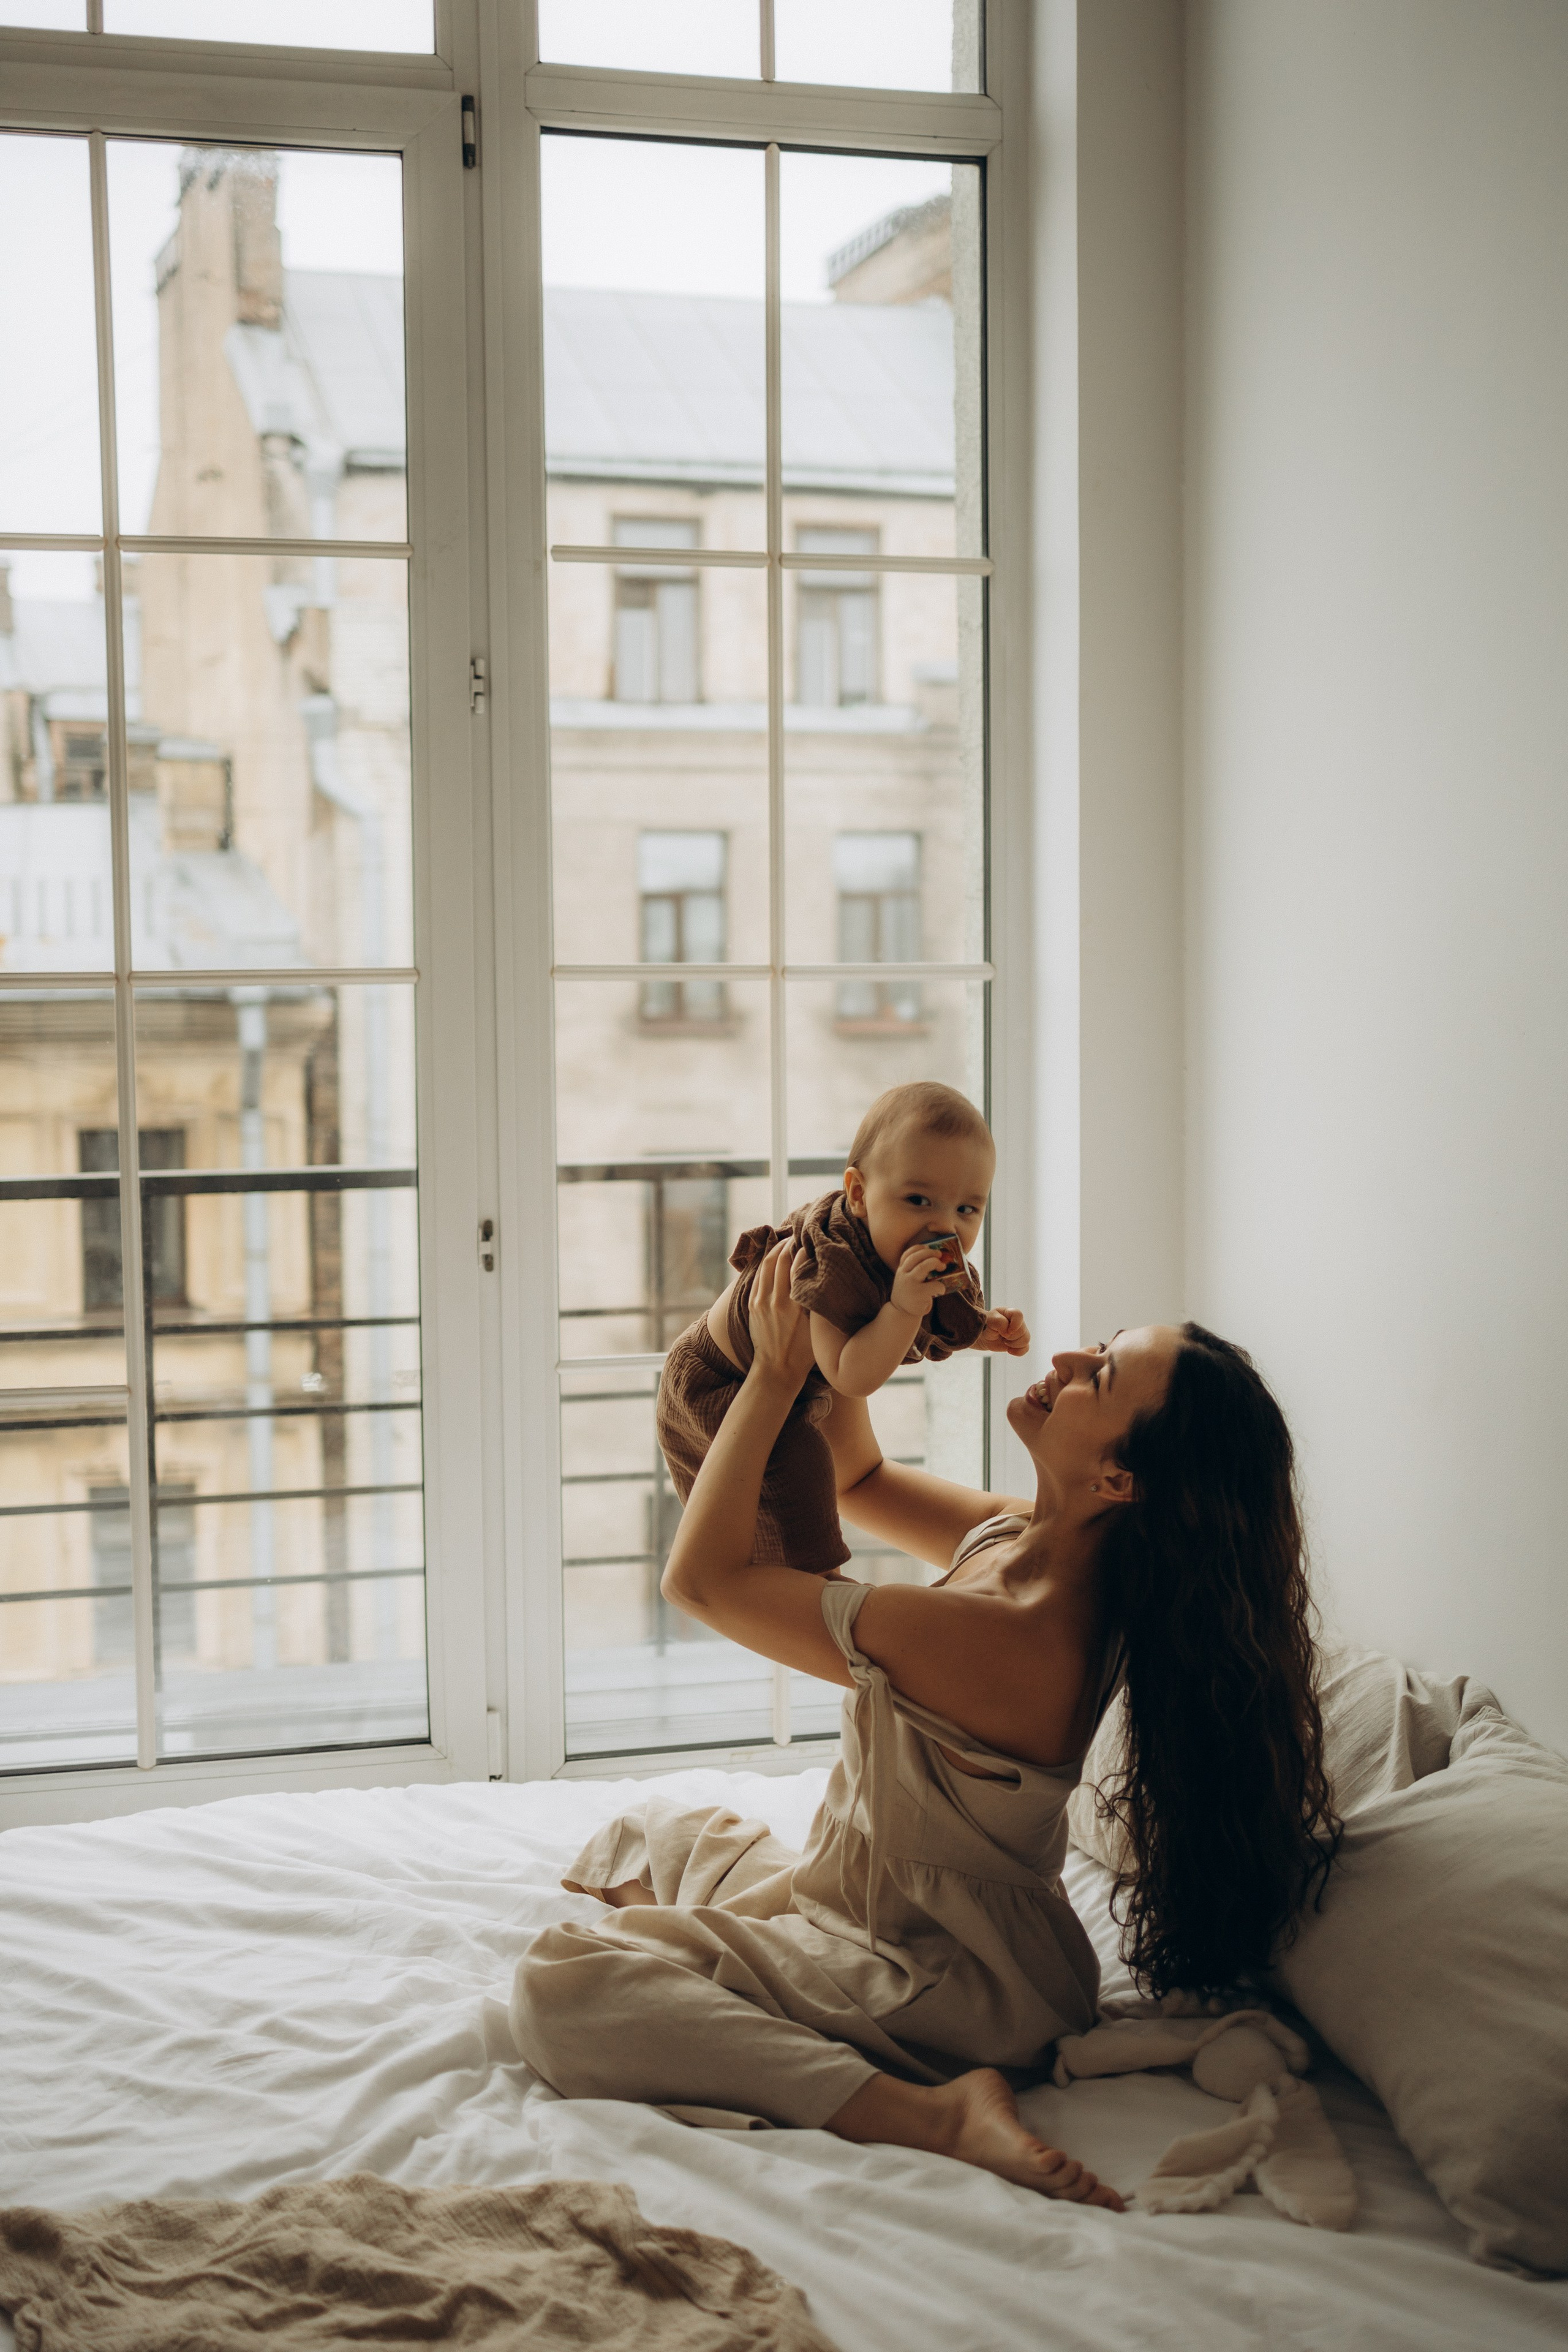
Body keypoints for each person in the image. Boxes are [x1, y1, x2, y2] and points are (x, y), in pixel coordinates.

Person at [512, 1247, 1340, 2208]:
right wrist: (870, 1317)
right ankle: (735, 1980)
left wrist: (780, 1376)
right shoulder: (1022, 1543)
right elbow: (858, 1477)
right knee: (655, 1831)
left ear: (1119, 1480)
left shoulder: (1009, 1637)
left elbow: (703, 1584)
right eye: (1097, 1348)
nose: (1068, 1361)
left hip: (944, 1975)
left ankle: (929, 2112)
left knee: (560, 1988)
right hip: (874, 1893)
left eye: (1100, 1376)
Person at [654, 1082, 1030, 1576]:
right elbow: (850, 1373)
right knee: (799, 1490)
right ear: (858, 1194)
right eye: (919, 1199)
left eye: (967, 1209)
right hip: (720, 1382)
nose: (944, 1226)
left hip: (791, 1380)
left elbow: (937, 1316)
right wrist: (902, 1309)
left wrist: (980, 1330)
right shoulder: (832, 1263)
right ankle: (817, 1589)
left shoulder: (905, 1252)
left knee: (828, 1477)